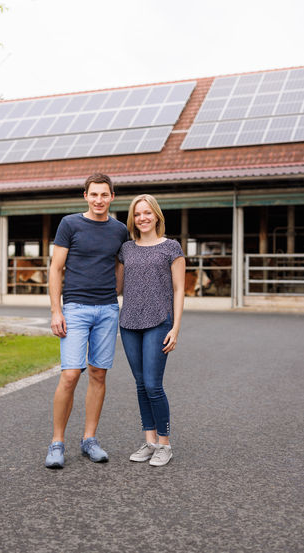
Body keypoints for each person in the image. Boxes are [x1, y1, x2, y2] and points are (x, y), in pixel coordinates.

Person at [45, 173, 128, 469]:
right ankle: (57, 443)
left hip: (107, 309)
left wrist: (115, 296)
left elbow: (120, 266)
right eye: (94, 194)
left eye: (104, 195)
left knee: (98, 374)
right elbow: (56, 269)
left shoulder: (119, 230)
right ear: (85, 196)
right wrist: (57, 311)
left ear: (112, 197)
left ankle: (89, 439)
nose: (99, 200)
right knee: (70, 375)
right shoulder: (70, 224)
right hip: (75, 309)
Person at [116, 194, 185, 467]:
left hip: (159, 321)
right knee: (141, 384)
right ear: (132, 219)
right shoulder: (126, 249)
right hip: (129, 323)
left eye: (147, 213)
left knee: (154, 385)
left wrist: (176, 327)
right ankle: (150, 441)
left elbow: (180, 290)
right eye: (137, 214)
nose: (142, 218)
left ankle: (165, 444)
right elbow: (118, 286)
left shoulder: (171, 247)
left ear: (156, 215)